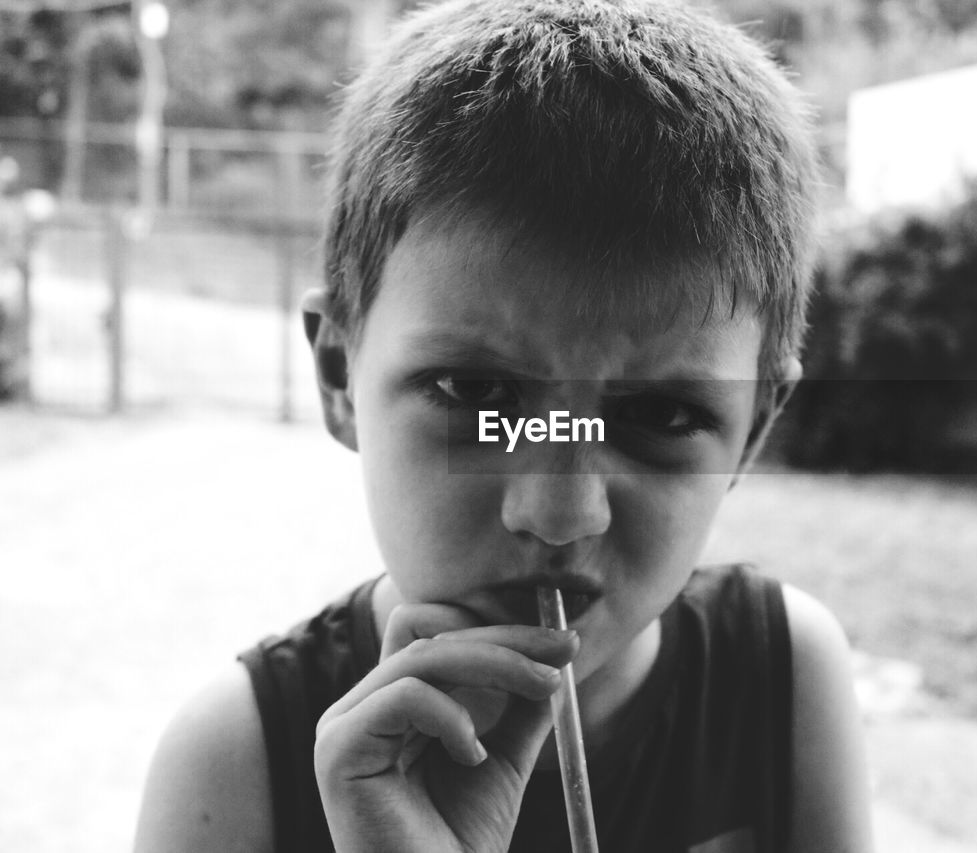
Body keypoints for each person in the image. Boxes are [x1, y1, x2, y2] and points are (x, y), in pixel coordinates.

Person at [134, 1, 873, 851]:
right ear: (341, 374)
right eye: (474, 392)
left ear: (751, 430)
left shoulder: (781, 679)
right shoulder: (236, 763)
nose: (559, 513)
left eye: (661, 414)